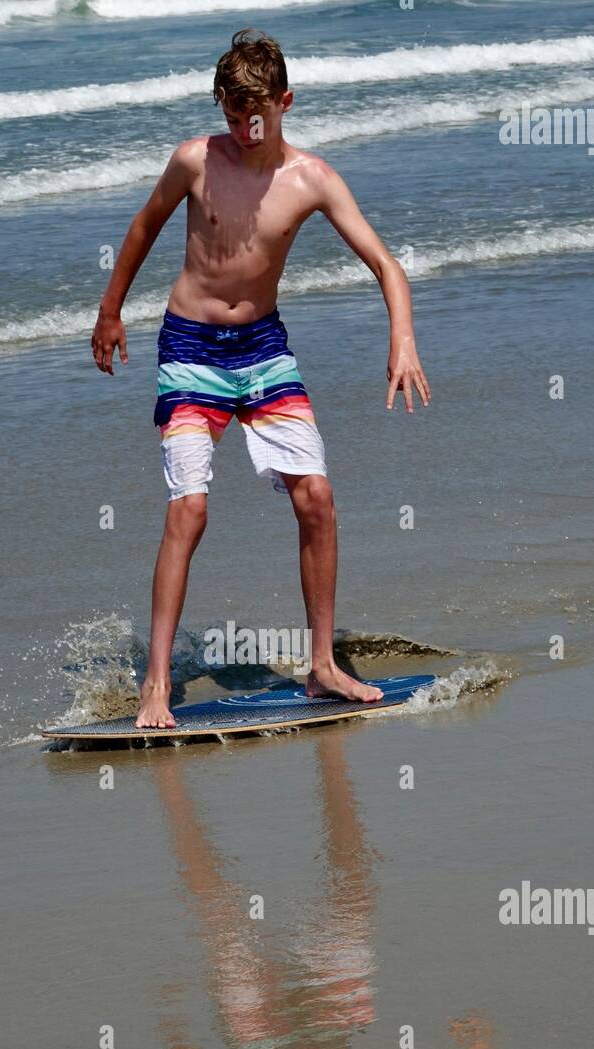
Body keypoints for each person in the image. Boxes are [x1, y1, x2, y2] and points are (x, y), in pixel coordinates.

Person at [91, 29, 430, 729]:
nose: (245, 129)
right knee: (190, 508)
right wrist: (110, 311)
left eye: (258, 114)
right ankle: (155, 683)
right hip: (190, 348)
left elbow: (387, 265)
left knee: (317, 500)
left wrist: (402, 340)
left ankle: (323, 664)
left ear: (285, 102)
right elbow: (143, 227)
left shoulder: (312, 179)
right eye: (232, 112)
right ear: (220, 103)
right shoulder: (194, 161)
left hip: (264, 350)